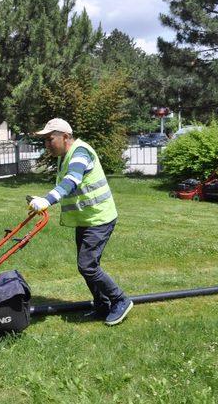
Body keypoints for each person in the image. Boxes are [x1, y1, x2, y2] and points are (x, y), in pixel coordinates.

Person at [28, 118, 133, 326]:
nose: (47, 145)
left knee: (88, 266)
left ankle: (120, 300)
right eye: (45, 141)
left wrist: (47, 200)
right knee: (86, 266)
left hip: (99, 219)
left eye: (50, 139)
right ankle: (102, 305)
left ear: (65, 137)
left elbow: (71, 181)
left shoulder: (80, 153)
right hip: (86, 219)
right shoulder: (65, 156)